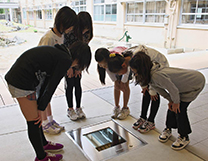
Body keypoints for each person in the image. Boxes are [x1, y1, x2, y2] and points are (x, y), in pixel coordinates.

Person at [5, 41, 91, 161]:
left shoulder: (61, 54)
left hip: (26, 79)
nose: (78, 67)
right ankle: (41, 157)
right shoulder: (65, 60)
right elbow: (51, 86)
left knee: (37, 119)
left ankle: (44, 144)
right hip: (21, 81)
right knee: (34, 121)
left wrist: (41, 106)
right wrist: (41, 109)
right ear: (80, 59)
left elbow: (46, 83)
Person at [129, 51, 205, 150]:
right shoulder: (149, 75)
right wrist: (171, 101)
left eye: (135, 71)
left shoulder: (156, 75)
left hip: (194, 83)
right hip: (180, 87)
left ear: (142, 69)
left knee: (180, 110)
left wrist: (176, 102)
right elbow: (159, 90)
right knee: (172, 107)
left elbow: (172, 90)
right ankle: (168, 128)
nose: (134, 73)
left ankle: (184, 136)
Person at [107, 45, 169, 133]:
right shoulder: (126, 58)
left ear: (124, 65)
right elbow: (139, 73)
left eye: (119, 73)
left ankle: (151, 121)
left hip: (159, 66)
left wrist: (152, 90)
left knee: (154, 95)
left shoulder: (138, 58)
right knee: (146, 92)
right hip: (147, 68)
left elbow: (152, 75)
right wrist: (144, 86)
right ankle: (143, 117)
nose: (120, 75)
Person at [38, 6, 77, 134]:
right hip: (42, 74)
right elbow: (41, 59)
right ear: (62, 23)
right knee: (43, 98)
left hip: (51, 73)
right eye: (70, 26)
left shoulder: (60, 36)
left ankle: (50, 120)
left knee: (48, 97)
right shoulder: (49, 37)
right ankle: (44, 123)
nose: (71, 29)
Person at [64, 11, 93, 121]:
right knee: (69, 84)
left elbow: (84, 52)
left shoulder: (87, 34)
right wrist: (70, 67)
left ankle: (78, 108)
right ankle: (70, 109)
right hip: (69, 62)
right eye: (84, 27)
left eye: (87, 27)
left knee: (78, 84)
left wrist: (79, 68)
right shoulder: (71, 33)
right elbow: (66, 50)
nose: (85, 30)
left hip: (79, 63)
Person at [95, 46, 131, 120]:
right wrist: (116, 81)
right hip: (115, 66)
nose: (101, 66)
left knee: (125, 86)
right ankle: (116, 107)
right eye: (100, 64)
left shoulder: (116, 59)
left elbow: (126, 70)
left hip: (125, 68)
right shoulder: (107, 63)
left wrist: (123, 82)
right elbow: (109, 71)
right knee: (116, 86)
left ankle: (125, 108)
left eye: (103, 65)